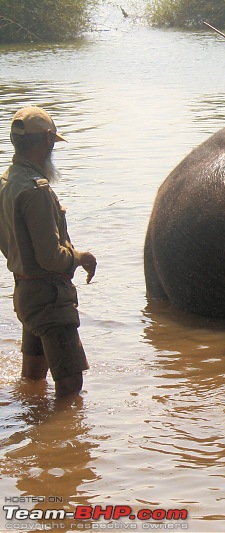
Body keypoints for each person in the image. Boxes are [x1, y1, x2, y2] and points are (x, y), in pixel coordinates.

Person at [0, 106, 97, 399]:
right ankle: (64, 441)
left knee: (33, 379)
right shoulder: (36, 190)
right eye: (53, 143)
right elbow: (50, 257)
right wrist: (81, 258)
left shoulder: (6, 182)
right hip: (49, 298)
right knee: (70, 386)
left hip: (25, 294)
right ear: (45, 141)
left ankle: (34, 437)